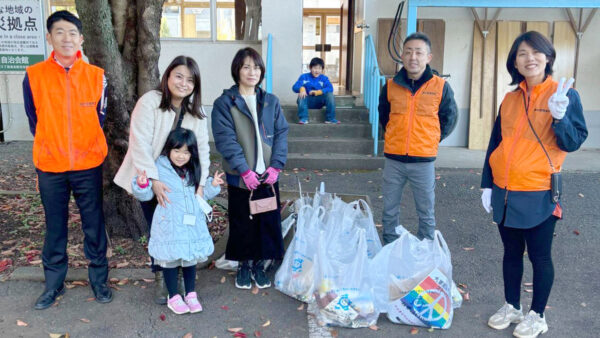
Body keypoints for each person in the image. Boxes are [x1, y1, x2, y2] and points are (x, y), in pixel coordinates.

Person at [481, 31, 587, 338]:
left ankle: (537, 314)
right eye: (522, 54)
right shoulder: (510, 98)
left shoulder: (564, 94)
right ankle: (512, 306)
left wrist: (560, 117)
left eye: (535, 52)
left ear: (548, 57)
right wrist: (487, 184)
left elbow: (572, 141)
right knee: (510, 253)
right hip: (505, 189)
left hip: (539, 189)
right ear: (514, 61)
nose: (529, 59)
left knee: (540, 256)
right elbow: (495, 143)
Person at [22, 10, 112, 310]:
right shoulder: (34, 75)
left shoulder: (96, 76)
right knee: (55, 226)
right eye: (59, 32)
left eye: (72, 33)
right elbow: (34, 120)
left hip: (88, 164)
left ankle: (99, 280)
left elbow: (101, 116)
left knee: (93, 224)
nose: (66, 38)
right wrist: (54, 143)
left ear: (81, 39)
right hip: (51, 166)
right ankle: (53, 284)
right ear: (49, 37)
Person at [113, 56, 210, 304]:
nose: (184, 83)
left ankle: (180, 280)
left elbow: (203, 151)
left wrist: (201, 185)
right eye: (179, 76)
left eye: (190, 80)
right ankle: (161, 277)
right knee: (160, 233)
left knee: (183, 231)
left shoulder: (196, 114)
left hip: (182, 183)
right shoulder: (150, 102)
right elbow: (139, 143)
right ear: (167, 76)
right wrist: (154, 181)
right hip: (151, 180)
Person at [212, 47, 289, 290]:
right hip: (240, 177)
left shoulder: (270, 101)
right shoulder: (225, 103)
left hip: (267, 177)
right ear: (237, 70)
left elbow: (281, 135)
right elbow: (226, 139)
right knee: (242, 223)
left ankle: (258, 264)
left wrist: (276, 166)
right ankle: (244, 264)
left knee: (266, 221)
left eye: (256, 67)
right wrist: (244, 170)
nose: (252, 71)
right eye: (246, 66)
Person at [132, 128, 223, 314]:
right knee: (170, 260)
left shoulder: (192, 170)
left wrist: (212, 186)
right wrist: (142, 183)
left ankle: (190, 294)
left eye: (186, 152)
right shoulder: (159, 167)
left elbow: (201, 194)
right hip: (169, 223)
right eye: (177, 151)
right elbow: (146, 194)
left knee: (190, 260)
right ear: (168, 149)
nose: (181, 156)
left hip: (191, 224)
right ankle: (173, 296)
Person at [378, 32, 458, 243]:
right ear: (402, 57)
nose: (413, 57)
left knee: (426, 211)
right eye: (408, 52)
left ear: (428, 57)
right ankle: (389, 247)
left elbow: (449, 118)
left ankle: (426, 249)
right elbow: (384, 117)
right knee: (389, 209)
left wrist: (430, 139)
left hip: (423, 160)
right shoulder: (390, 86)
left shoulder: (440, 86)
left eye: (419, 52)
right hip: (394, 159)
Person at [292, 57, 338, 124]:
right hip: (307, 102)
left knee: (330, 94)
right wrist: (301, 89)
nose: (317, 71)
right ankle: (304, 119)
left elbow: (330, 88)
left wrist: (318, 92)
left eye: (319, 68)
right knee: (301, 95)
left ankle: (330, 118)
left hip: (319, 102)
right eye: (315, 68)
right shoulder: (304, 77)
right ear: (310, 68)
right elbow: (294, 87)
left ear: (322, 69)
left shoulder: (324, 78)